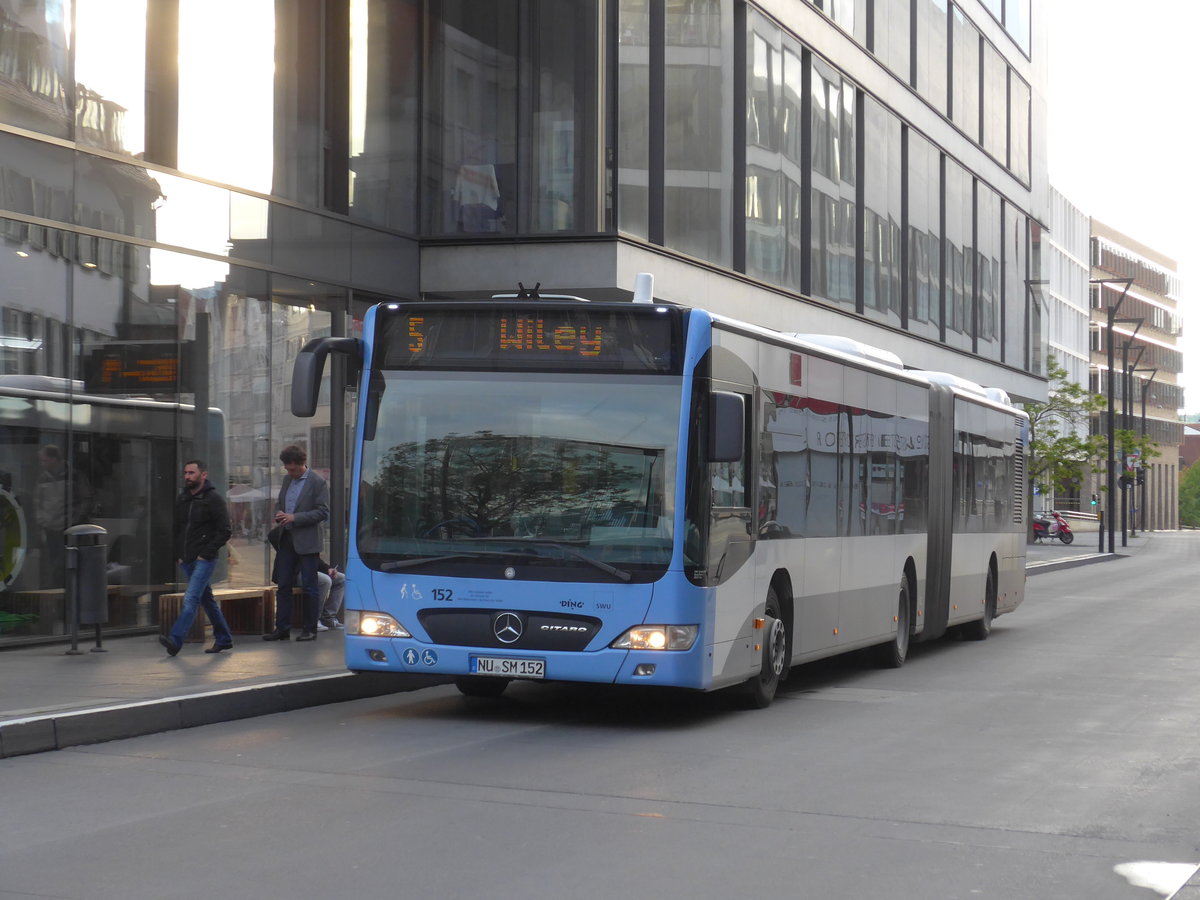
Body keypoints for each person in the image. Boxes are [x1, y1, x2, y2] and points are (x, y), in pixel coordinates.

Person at [160, 460, 234, 656]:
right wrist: (178, 555)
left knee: (191, 598)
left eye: (192, 473)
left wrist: (206, 553)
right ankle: (224, 638)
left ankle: (175, 640)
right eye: (185, 473)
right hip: (187, 559)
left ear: (203, 475)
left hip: (204, 559)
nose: (187, 477)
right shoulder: (183, 499)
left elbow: (225, 530)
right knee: (207, 600)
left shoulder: (213, 499)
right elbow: (177, 530)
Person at [264, 444, 329, 642]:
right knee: (283, 584)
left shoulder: (317, 482)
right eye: (287, 468)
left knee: (310, 586)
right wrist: (280, 513)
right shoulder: (286, 480)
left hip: (307, 542)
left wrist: (295, 517)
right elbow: (280, 502)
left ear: (301, 464)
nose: (289, 472)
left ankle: (310, 629)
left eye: (292, 469)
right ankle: (282, 628)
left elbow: (323, 512)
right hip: (287, 538)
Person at [35, 444, 92, 585]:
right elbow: (37, 503)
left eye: (45, 460)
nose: (43, 464)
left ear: (54, 459)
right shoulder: (43, 478)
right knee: (53, 567)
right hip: (51, 531)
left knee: (67, 565)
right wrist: (43, 522)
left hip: (69, 530)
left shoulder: (74, 476)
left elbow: (86, 499)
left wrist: (74, 520)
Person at [315, 557, 345, 631]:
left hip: (312, 570)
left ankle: (328, 617)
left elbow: (315, 559)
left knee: (341, 578)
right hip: (299, 572)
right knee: (325, 581)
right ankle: (314, 619)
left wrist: (328, 569)